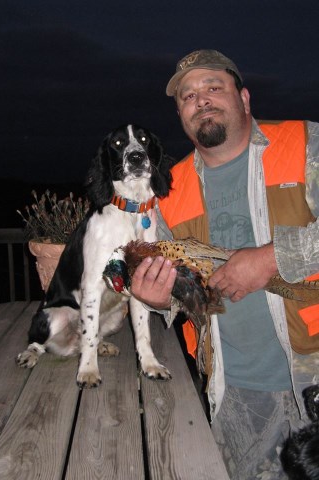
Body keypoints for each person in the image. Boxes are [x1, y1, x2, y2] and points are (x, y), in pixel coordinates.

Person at [130, 49, 319, 480]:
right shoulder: (168, 193)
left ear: (245, 98)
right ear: (180, 113)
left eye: (213, 87)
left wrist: (271, 258)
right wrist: (157, 299)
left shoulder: (305, 141)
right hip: (235, 396)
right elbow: (179, 293)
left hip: (314, 373)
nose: (201, 100)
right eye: (188, 96)